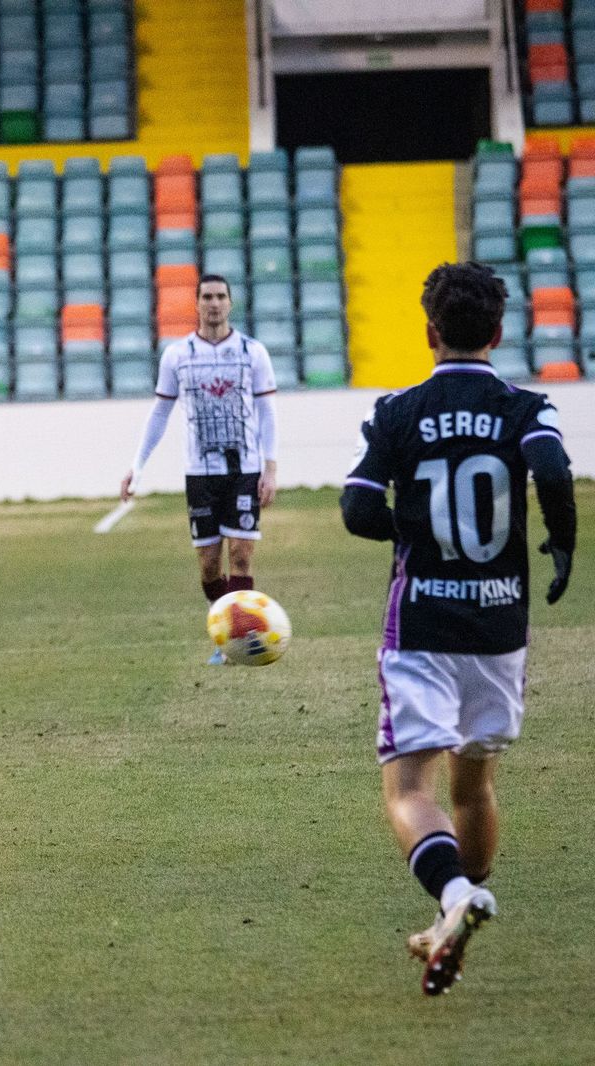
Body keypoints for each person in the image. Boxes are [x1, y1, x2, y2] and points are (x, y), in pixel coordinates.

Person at [341, 261, 576, 996]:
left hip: (423, 624)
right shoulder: (524, 406)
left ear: (429, 331)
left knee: (410, 789)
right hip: (499, 625)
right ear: (499, 333)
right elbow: (553, 469)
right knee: (473, 787)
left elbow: (354, 507)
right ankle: (459, 905)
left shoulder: (399, 411)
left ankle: (454, 899)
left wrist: (409, 530)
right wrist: (561, 542)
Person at [119, 274, 279, 662]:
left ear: (231, 302)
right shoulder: (177, 355)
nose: (214, 303)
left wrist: (270, 468)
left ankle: (238, 640)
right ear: (196, 303)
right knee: (209, 565)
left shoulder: (252, 352)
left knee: (241, 555)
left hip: (244, 467)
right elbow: (160, 412)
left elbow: (266, 411)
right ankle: (226, 626)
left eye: (221, 296)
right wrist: (137, 466)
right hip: (200, 472)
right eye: (207, 296)